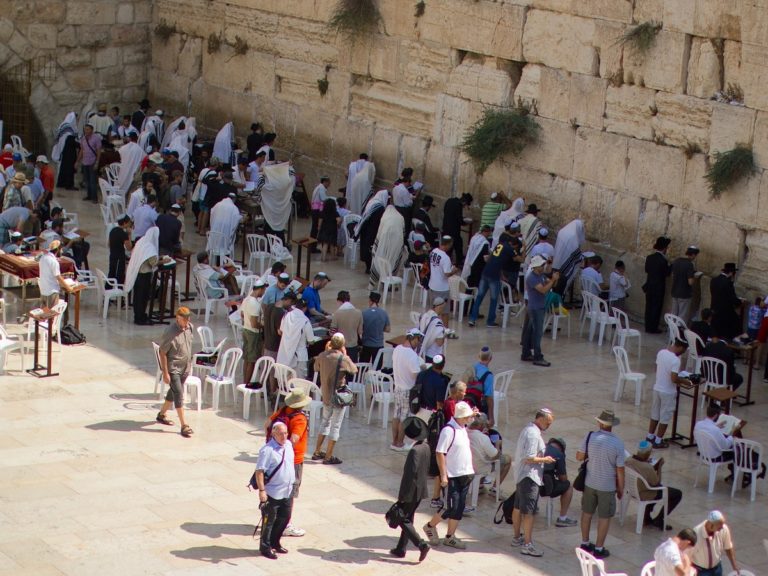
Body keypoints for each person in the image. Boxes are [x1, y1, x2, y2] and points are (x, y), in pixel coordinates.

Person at [423, 401, 475, 550]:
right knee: (449, 507)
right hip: (452, 475)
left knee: (459, 508)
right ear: (460, 417)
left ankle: (450, 536)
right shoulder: (449, 430)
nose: (469, 419)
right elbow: (440, 452)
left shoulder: (462, 427)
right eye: (467, 417)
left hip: (465, 473)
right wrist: (444, 475)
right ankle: (430, 526)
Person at [577, 409, 625, 560]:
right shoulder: (618, 443)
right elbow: (620, 470)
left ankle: (585, 543)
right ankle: (598, 548)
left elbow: (579, 456)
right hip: (607, 486)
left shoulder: (590, 436)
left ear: (599, 423)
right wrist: (621, 489)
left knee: (586, 513)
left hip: (590, 482)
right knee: (604, 517)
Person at [510, 409, 555, 557]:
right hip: (529, 477)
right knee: (529, 513)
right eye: (547, 423)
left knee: (517, 508)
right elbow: (529, 457)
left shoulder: (528, 430)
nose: (548, 426)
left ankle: (517, 538)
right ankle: (527, 544)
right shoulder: (533, 434)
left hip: (522, 475)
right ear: (540, 419)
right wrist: (545, 459)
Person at [264, 389, 309, 539]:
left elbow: (267, 424)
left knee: (275, 489)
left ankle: (273, 519)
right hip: (293, 460)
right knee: (289, 492)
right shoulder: (300, 419)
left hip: (275, 458)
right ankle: (285, 524)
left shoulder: (282, 411)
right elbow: (294, 439)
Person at [389, 416, 431, 561]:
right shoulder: (425, 447)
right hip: (420, 490)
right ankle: (401, 548)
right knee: (409, 518)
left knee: (401, 518)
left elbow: (409, 475)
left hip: (411, 491)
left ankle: (421, 544)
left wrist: (402, 496)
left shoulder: (414, 451)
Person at [312, 333, 357, 465]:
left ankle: (317, 451)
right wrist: (345, 354)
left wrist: (326, 352)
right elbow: (354, 370)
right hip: (338, 396)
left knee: (325, 422)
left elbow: (316, 368)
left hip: (325, 394)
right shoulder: (342, 358)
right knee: (335, 426)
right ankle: (329, 456)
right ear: (342, 344)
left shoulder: (322, 356)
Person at [254, 421, 295, 559]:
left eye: (285, 433)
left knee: (284, 517)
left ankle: (275, 542)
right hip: (272, 493)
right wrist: (262, 491)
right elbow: (259, 471)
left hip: (287, 491)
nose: (284, 436)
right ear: (273, 434)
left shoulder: (288, 445)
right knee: (269, 521)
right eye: (280, 434)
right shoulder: (267, 450)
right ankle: (265, 547)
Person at [468, 227, 523, 327]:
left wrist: (501, 275)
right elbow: (521, 259)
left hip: (485, 272)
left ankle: (472, 318)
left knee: (479, 296)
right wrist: (525, 248)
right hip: (494, 276)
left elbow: (496, 260)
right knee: (493, 299)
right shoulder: (509, 248)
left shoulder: (499, 245)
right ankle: (490, 321)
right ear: (513, 244)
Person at [154, 306, 194, 438]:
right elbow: (162, 352)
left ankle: (161, 414)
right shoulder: (170, 332)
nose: (187, 322)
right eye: (185, 319)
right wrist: (165, 372)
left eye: (188, 319)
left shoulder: (189, 328)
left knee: (174, 391)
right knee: (179, 393)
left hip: (185, 367)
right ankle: (184, 425)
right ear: (178, 318)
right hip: (174, 368)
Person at [625, 440, 683, 529]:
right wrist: (659, 467)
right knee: (676, 493)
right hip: (645, 493)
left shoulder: (628, 460)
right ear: (648, 453)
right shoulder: (647, 467)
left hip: (632, 490)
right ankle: (660, 519)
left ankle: (647, 517)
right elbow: (657, 484)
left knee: (653, 487)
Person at [646, 339, 692, 449]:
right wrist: (686, 381)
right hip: (668, 392)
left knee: (655, 413)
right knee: (665, 417)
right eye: (684, 350)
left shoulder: (661, 352)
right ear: (680, 347)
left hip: (657, 388)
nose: (683, 353)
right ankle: (658, 441)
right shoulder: (675, 360)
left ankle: (650, 436)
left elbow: (657, 369)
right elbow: (674, 378)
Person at [522, 255, 560, 366]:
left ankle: (526, 353)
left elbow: (551, 284)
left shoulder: (541, 276)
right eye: (542, 265)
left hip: (537, 307)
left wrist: (554, 279)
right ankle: (537, 357)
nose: (544, 266)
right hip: (535, 308)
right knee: (537, 333)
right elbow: (543, 290)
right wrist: (553, 280)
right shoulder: (531, 278)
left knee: (529, 332)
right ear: (536, 266)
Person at [391, 328, 424, 451]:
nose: (418, 343)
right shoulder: (411, 355)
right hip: (407, 390)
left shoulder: (397, 349)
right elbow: (416, 375)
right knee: (404, 418)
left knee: (396, 416)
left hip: (397, 387)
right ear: (413, 339)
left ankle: (394, 442)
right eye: (418, 340)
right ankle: (399, 443)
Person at [468, 413, 511, 495]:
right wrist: (498, 446)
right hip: (479, 467)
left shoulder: (464, 431)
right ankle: (495, 488)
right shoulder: (482, 438)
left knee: (483, 456)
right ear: (481, 425)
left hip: (468, 465)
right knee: (507, 459)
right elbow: (495, 456)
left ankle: (480, 486)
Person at [689, 511, 742, 576]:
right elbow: (688, 554)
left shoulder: (724, 529)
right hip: (701, 571)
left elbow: (728, 547)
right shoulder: (696, 533)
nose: (722, 528)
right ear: (711, 525)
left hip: (717, 568)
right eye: (719, 527)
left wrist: (734, 565)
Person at [277, 295, 318, 378]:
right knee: (299, 384)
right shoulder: (305, 320)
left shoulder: (286, 316)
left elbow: (281, 332)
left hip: (285, 354)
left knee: (286, 383)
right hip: (300, 357)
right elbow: (311, 341)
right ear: (305, 308)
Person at [125, 227, 159, 325]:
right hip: (144, 275)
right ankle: (140, 318)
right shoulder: (149, 247)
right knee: (142, 297)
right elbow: (153, 262)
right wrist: (163, 260)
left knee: (138, 297)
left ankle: (139, 316)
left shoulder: (141, 242)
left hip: (137, 275)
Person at [541, 437, 578, 527]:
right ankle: (562, 518)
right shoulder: (559, 454)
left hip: (532, 485)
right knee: (568, 486)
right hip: (546, 488)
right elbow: (563, 479)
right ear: (561, 449)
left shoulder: (540, 447)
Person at [369, 203, 407, 290]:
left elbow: (379, 231)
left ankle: (378, 282)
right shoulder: (400, 217)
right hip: (397, 241)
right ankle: (389, 282)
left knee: (380, 258)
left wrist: (376, 244)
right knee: (393, 260)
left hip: (384, 240)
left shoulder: (385, 216)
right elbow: (403, 232)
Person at [354, 189, 388, 274]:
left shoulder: (372, 202)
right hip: (372, 231)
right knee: (371, 249)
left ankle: (368, 267)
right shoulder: (379, 207)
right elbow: (379, 221)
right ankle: (370, 267)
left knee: (366, 248)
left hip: (365, 229)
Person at [241, 279, 267, 385]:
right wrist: (263, 326)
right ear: (259, 289)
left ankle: (245, 382)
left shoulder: (246, 299)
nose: (264, 293)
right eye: (263, 290)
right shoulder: (255, 304)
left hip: (246, 330)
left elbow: (242, 314)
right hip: (253, 333)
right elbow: (254, 323)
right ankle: (247, 384)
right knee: (252, 360)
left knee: (247, 358)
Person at [460, 347, 495, 426]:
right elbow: (489, 398)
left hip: (466, 404)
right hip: (478, 408)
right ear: (490, 358)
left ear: (479, 357)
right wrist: (491, 418)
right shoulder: (488, 375)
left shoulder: (471, 368)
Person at [644, 236, 672, 333]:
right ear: (664, 248)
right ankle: (653, 328)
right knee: (656, 307)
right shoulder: (663, 261)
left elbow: (647, 270)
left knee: (649, 306)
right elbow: (667, 273)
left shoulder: (649, 258)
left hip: (649, 286)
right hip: (658, 288)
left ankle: (647, 326)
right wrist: (671, 266)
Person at [552, 219, 586, 296]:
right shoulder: (573, 236)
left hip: (557, 261)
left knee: (555, 282)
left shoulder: (562, 231)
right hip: (565, 261)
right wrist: (581, 257)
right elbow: (575, 253)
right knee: (562, 282)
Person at [428, 236, 457, 325]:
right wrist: (454, 271)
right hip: (442, 288)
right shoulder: (445, 258)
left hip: (432, 285)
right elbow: (447, 274)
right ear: (448, 244)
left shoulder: (433, 252)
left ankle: (431, 328)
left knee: (433, 310)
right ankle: (445, 331)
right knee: (445, 312)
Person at [38, 239, 74, 310]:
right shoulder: (54, 262)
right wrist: (68, 287)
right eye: (61, 249)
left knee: (44, 313)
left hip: (43, 289)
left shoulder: (43, 258)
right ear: (58, 250)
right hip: (52, 291)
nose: (62, 251)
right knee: (52, 313)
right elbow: (58, 277)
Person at [710, 262, 743, 340]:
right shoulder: (728, 283)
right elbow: (732, 299)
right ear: (731, 273)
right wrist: (740, 302)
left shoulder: (714, 280)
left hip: (714, 309)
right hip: (725, 313)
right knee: (736, 325)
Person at [670, 245, 700, 323]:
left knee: (673, 314)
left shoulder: (677, 261)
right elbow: (690, 282)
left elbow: (673, 275)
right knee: (682, 316)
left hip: (675, 291)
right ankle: (679, 334)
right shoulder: (689, 265)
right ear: (693, 254)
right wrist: (695, 276)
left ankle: (671, 333)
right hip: (684, 294)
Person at [330, 290, 362, 362]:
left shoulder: (337, 314)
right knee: (352, 369)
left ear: (339, 301)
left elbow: (332, 333)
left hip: (341, 347)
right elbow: (360, 331)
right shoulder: (358, 312)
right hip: (353, 346)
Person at [360, 291, 390, 363]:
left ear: (370, 300)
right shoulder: (384, 313)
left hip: (366, 345)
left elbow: (360, 329)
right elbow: (388, 329)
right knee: (377, 370)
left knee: (363, 367)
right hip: (378, 345)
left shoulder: (364, 313)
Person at [442, 193, 472, 263]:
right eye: (465, 205)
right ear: (464, 202)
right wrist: (466, 222)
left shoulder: (449, 200)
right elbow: (459, 220)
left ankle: (450, 261)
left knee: (449, 247)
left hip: (445, 228)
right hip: (454, 231)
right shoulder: (459, 205)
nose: (464, 206)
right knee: (457, 245)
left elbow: (447, 212)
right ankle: (458, 262)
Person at [52, 112, 79, 190]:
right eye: (76, 119)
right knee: (69, 168)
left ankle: (61, 183)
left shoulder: (64, 126)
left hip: (64, 151)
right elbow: (69, 140)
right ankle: (69, 185)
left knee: (63, 168)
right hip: (68, 151)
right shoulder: (69, 128)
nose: (77, 120)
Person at [76, 123, 102, 202]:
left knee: (92, 181)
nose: (86, 131)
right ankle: (89, 195)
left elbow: (98, 151)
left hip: (92, 162)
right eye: (85, 129)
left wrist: (97, 162)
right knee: (87, 180)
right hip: (85, 162)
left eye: (87, 129)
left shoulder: (96, 138)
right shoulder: (83, 139)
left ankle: (94, 197)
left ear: (91, 130)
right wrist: (77, 161)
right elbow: (82, 150)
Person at [419, 298, 446, 363]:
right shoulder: (437, 322)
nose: (443, 310)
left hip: (424, 352)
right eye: (443, 308)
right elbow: (439, 342)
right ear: (440, 307)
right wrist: (445, 334)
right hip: (433, 355)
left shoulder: (425, 316)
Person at [108, 214, 133, 284]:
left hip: (112, 255)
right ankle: (119, 290)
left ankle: (108, 289)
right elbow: (129, 247)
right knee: (119, 275)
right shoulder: (123, 234)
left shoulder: (112, 230)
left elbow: (109, 244)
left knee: (111, 272)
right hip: (119, 257)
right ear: (124, 223)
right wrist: (129, 235)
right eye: (128, 223)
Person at [317, 197, 340, 261]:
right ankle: (333, 257)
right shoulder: (335, 213)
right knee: (332, 243)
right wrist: (338, 225)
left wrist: (319, 228)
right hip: (332, 229)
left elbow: (320, 222)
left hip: (324, 229)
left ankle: (323, 257)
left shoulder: (322, 212)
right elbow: (338, 220)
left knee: (325, 243)